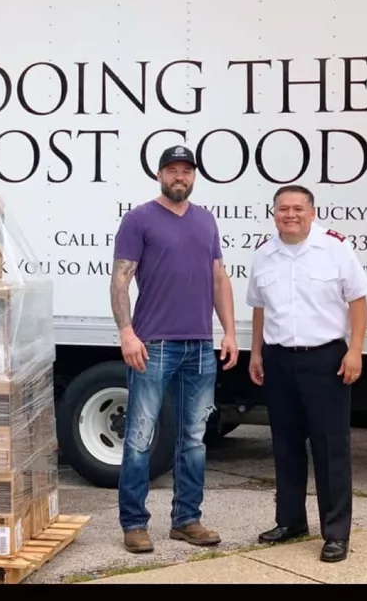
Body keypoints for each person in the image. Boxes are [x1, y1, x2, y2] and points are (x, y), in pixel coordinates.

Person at [110, 144, 239, 554]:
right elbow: (120, 279)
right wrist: (127, 332)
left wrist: (230, 332)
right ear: (160, 175)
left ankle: (187, 520)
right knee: (141, 435)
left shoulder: (206, 221)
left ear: (194, 176)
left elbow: (219, 278)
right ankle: (134, 523)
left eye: (186, 170)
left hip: (200, 345)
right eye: (172, 170)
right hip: (154, 345)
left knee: (195, 438)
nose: (179, 176)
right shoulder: (139, 219)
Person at [245, 184, 367, 563]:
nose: (290, 215)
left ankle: (335, 533)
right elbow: (258, 307)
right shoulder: (264, 255)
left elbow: (359, 300)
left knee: (330, 448)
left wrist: (355, 351)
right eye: (283, 209)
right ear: (274, 214)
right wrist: (256, 353)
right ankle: (290, 521)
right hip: (279, 359)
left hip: (325, 359)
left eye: (298, 208)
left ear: (312, 213)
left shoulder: (334, 248)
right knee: (285, 444)